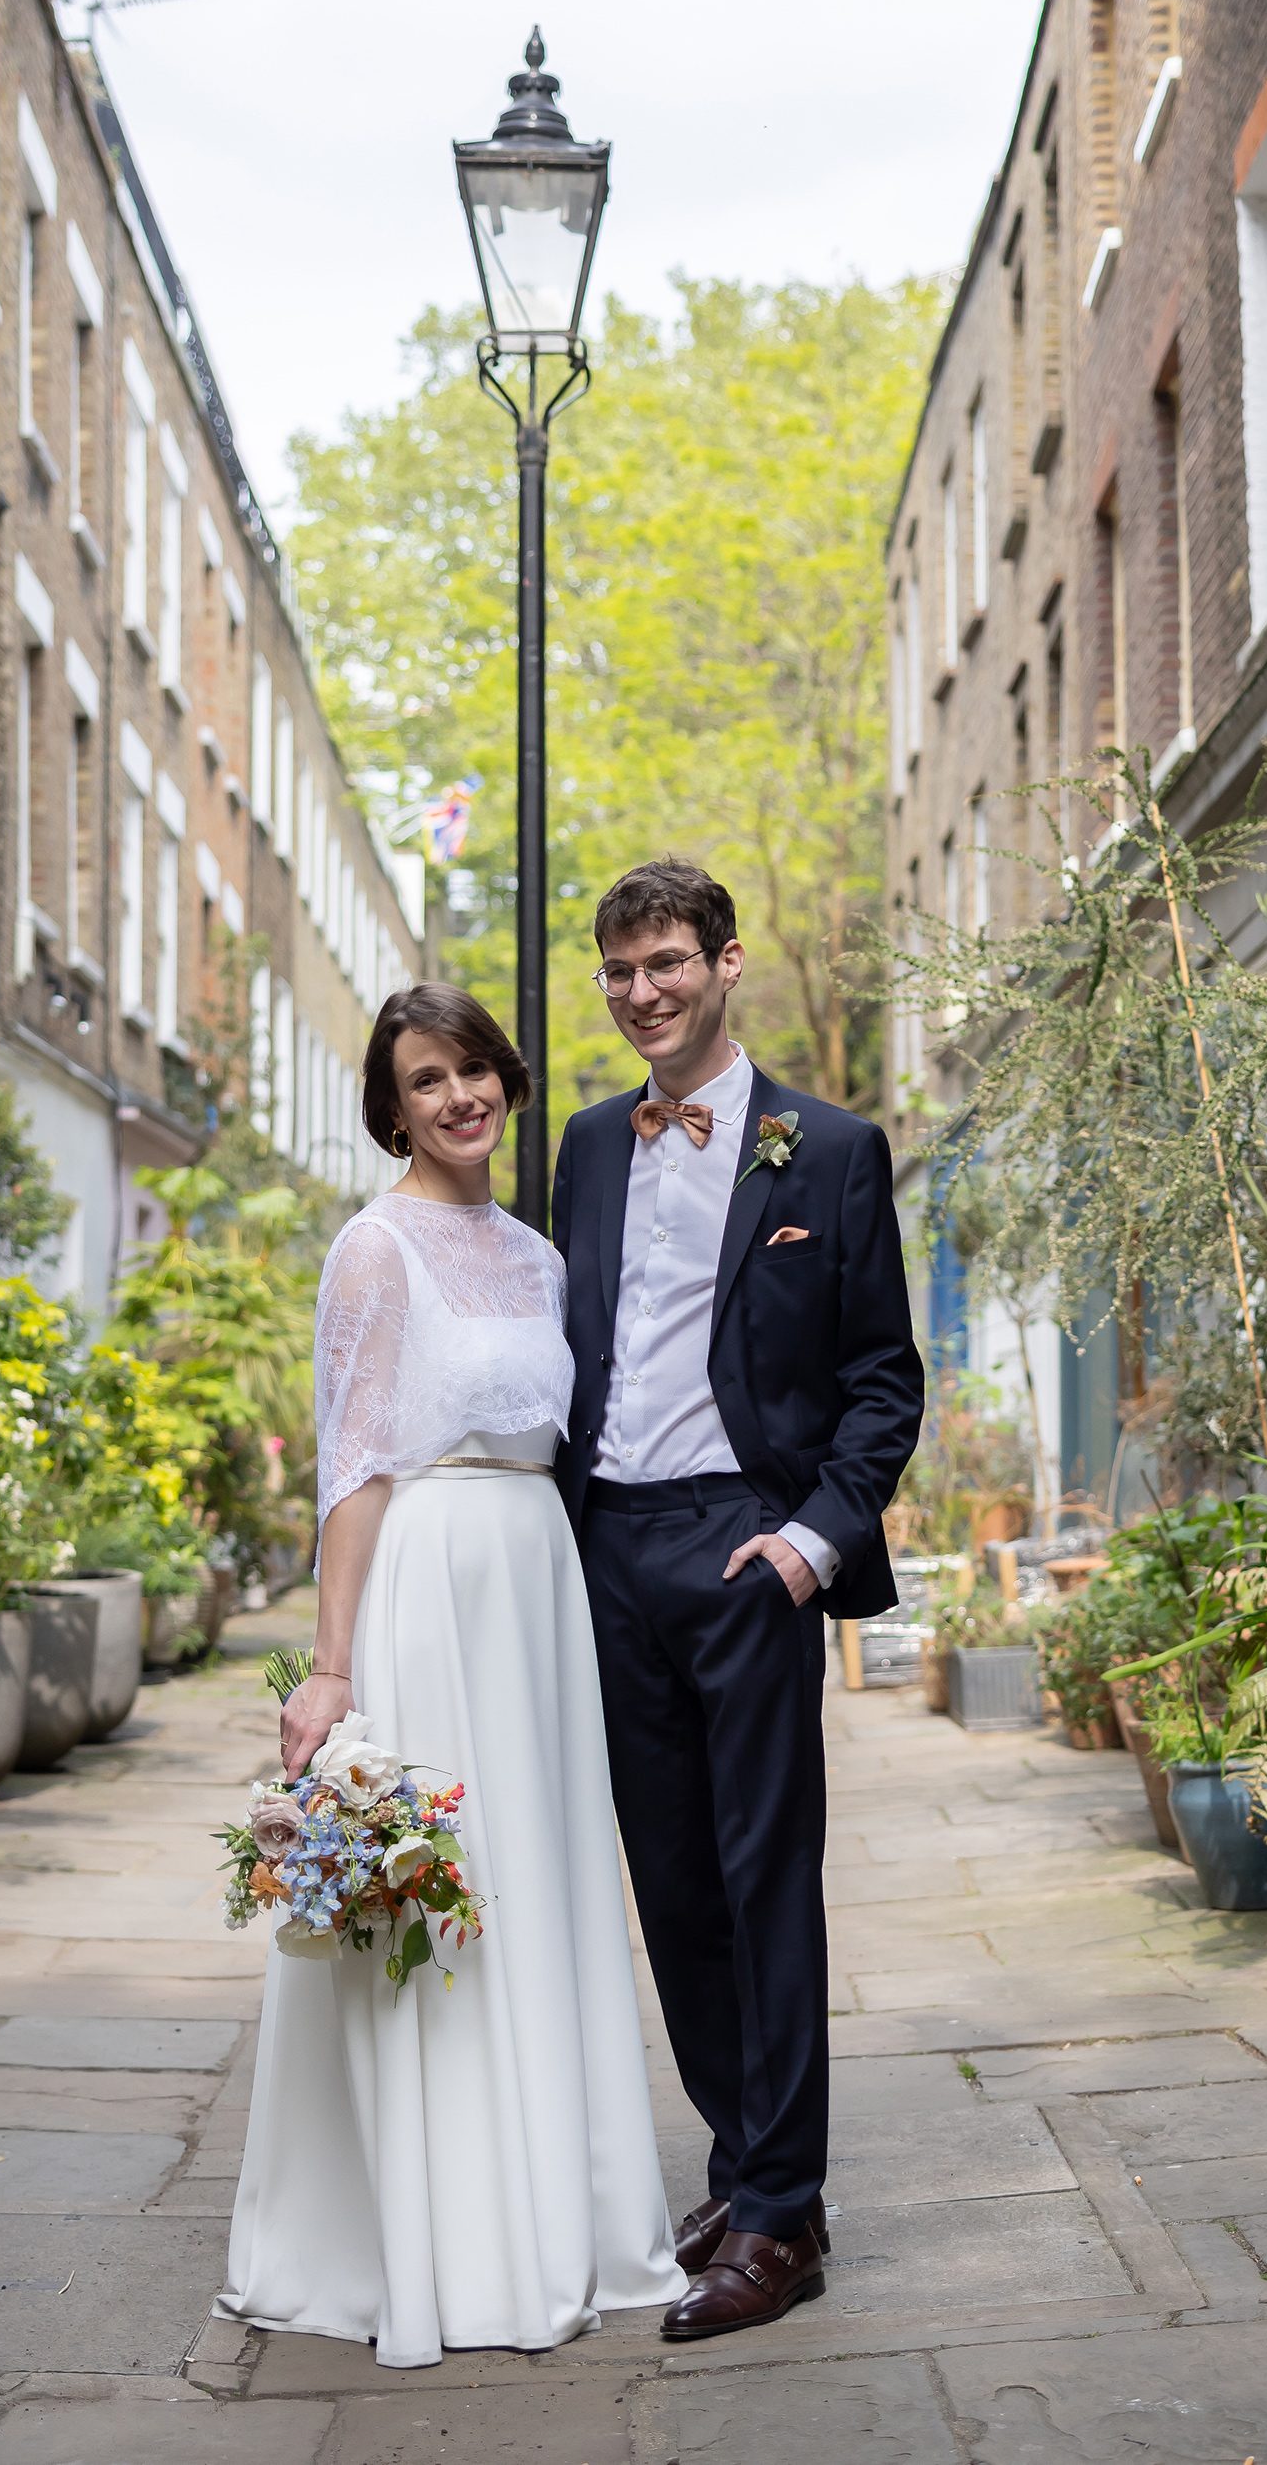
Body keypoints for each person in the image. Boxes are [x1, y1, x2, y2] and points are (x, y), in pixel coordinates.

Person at [216, 983, 683, 2371]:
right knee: (447, 1900)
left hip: (537, 1591)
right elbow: (352, 1467)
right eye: (426, 1079)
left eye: (473, 1068)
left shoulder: (541, 1260)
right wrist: (328, 1669)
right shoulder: (371, 1251)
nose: (458, 1096)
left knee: (539, 1889)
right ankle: (442, 2241)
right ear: (393, 1105)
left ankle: (562, 2215)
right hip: (427, 1583)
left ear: (504, 1078)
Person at [552, 858, 925, 2343]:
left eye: (667, 965)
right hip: (610, 1549)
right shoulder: (584, 1148)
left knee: (766, 1880)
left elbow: (882, 1385)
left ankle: (779, 2220)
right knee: (673, 1889)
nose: (644, 994)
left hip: (744, 1550)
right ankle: (751, 2164)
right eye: (620, 973)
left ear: (726, 964)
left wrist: (805, 1543)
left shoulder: (823, 1150)